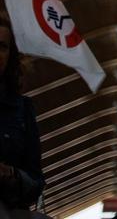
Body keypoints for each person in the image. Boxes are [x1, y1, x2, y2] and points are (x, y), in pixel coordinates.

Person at [0, 13, 43, 212]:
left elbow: (36, 184)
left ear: (10, 55)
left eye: (2, 47)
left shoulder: (22, 109)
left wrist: (9, 174)